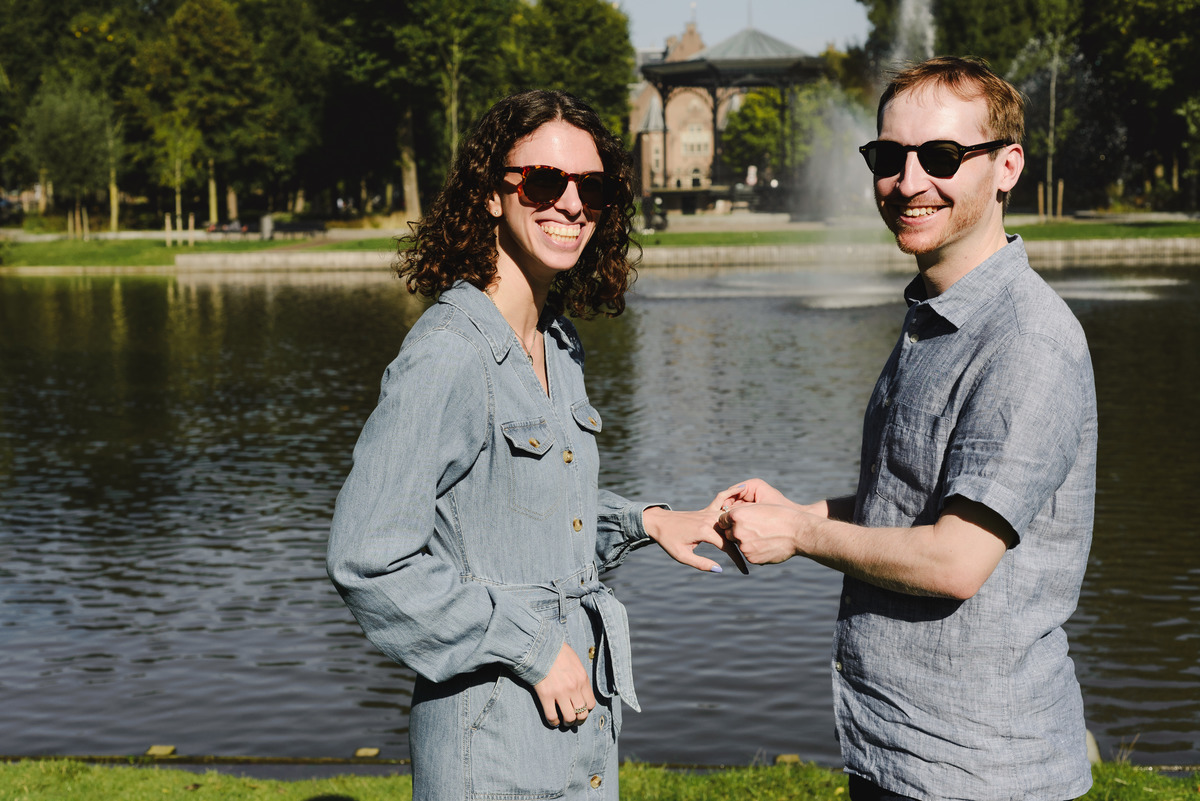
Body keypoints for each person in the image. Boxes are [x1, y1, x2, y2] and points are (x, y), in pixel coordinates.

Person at [326, 89, 732, 801]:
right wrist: (534, 648)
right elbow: (368, 557)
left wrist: (647, 521)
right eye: (545, 182)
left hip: (578, 737)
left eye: (593, 187)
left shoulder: (557, 342)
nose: (572, 204)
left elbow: (523, 510)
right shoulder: (449, 355)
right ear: (492, 194)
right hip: (492, 746)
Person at [716, 57, 1098, 801]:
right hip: (904, 755)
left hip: (977, 771)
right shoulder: (935, 317)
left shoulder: (1025, 339)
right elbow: (911, 504)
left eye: (943, 157)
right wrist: (797, 511)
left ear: (1007, 166)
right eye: (889, 158)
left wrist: (800, 535)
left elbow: (954, 558)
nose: (909, 181)